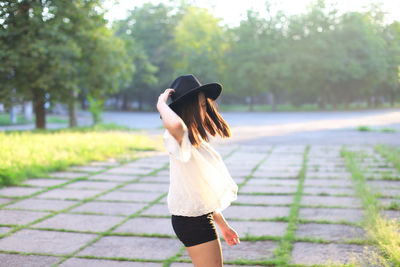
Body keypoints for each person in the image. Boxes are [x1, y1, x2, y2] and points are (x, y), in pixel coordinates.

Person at [156, 74, 240, 267]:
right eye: (200, 106)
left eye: (205, 105)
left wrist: (223, 225)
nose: (204, 110)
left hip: (200, 217)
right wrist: (162, 104)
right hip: (191, 221)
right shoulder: (176, 138)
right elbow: (176, 125)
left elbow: (201, 190)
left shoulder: (195, 141)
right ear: (188, 108)